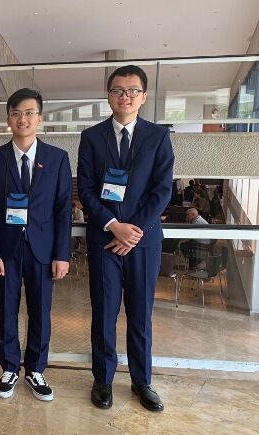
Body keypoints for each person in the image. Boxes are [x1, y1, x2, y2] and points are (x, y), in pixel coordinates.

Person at [77, 65, 174, 412]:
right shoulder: (92, 137)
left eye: (133, 90)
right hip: (104, 239)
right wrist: (113, 225)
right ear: (109, 96)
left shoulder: (158, 137)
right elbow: (86, 189)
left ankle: (141, 381)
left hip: (143, 243)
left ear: (143, 97)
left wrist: (132, 231)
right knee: (104, 312)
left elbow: (162, 190)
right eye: (118, 90)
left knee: (140, 313)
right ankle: (103, 380)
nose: (125, 96)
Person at [0, 88, 72, 402]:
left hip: (43, 249)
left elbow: (63, 210)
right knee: (6, 310)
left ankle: (36, 369)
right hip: (6, 250)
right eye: (17, 113)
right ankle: (9, 367)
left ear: (40, 118)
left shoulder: (57, 159)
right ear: (8, 118)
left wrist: (62, 254)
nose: (23, 119)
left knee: (40, 312)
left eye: (30, 112)